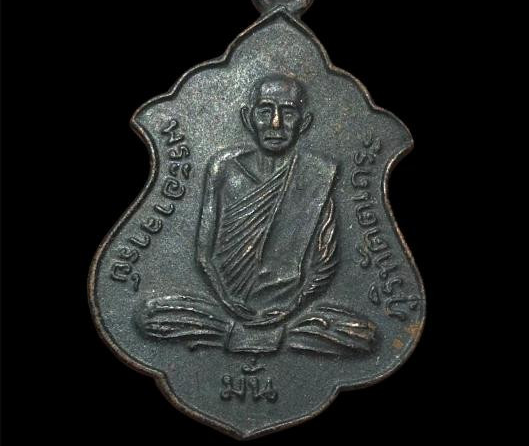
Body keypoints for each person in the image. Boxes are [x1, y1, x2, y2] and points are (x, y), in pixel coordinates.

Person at [138, 74, 376, 356]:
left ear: (305, 122)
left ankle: (264, 333)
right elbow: (203, 255)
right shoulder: (223, 167)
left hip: (290, 311)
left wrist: (290, 308)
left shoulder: (316, 175)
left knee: (363, 336)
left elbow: (324, 264)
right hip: (221, 303)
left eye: (288, 113)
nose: (276, 124)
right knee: (151, 317)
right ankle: (242, 331)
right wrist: (226, 300)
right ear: (248, 118)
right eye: (265, 112)